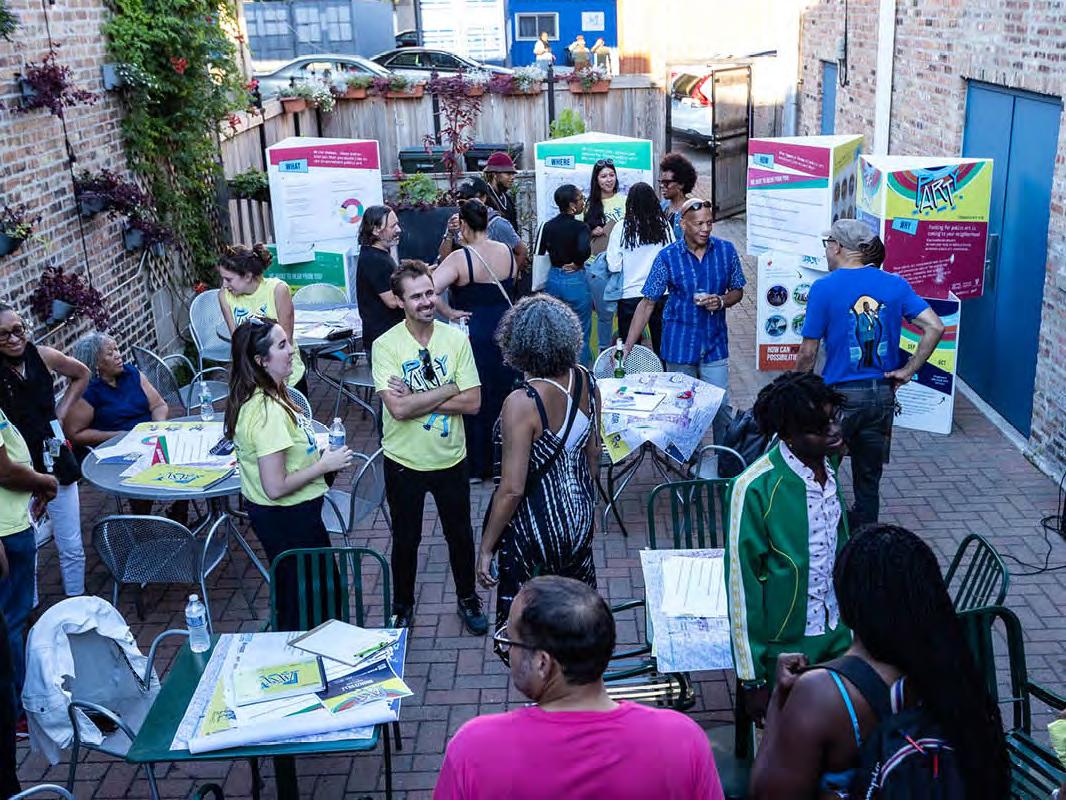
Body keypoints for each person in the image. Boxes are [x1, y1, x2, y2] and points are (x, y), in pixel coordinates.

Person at [750, 524, 1010, 799]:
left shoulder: (822, 694)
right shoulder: (952, 667)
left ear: (847, 604)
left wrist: (778, 699)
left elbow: (766, 795)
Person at [435, 576, 725, 800]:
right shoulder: (682, 739)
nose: (508, 652)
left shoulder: (475, 749)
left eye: (509, 642)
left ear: (542, 663)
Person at [795, 219, 945, 526]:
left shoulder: (824, 288)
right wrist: (908, 371)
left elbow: (808, 353)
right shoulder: (895, 284)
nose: (826, 250)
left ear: (837, 247)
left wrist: (796, 389)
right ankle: (866, 539)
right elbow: (935, 326)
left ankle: (824, 533)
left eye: (827, 244)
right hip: (881, 396)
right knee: (868, 477)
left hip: (840, 399)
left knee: (820, 469)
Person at [725, 371, 852, 723]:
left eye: (833, 419)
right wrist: (751, 678)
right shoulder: (753, 488)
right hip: (787, 653)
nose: (833, 431)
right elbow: (741, 587)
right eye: (818, 428)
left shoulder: (830, 464)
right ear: (788, 435)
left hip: (840, 639)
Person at [372, 260, 487, 634]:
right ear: (400, 301)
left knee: (460, 536)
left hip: (450, 458)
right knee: (406, 540)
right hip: (403, 460)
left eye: (430, 293)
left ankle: (468, 598)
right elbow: (398, 409)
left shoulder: (455, 340)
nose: (426, 302)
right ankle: (402, 606)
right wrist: (450, 387)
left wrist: (418, 396)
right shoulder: (385, 346)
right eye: (416, 296)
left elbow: (473, 402)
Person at [477, 296, 600, 629]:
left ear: (518, 344)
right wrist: (586, 507)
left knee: (532, 624)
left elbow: (512, 489)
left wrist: (487, 547)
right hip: (579, 516)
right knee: (574, 616)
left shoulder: (522, 402)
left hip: (538, 527)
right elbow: (593, 454)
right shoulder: (587, 380)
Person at [223, 317, 353, 631]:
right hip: (289, 520)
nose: (291, 350)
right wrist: (323, 466)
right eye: (282, 345)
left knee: (306, 598)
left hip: (290, 517)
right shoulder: (267, 412)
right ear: (261, 361)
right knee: (312, 606)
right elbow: (275, 486)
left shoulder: (268, 395)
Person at [623, 198, 745, 441]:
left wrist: (721, 301)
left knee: (721, 406)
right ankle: (688, 457)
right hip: (679, 345)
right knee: (682, 410)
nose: (706, 229)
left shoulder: (726, 251)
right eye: (699, 224)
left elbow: (737, 289)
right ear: (683, 224)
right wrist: (628, 347)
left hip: (714, 343)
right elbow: (647, 303)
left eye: (709, 223)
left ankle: (724, 456)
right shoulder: (667, 257)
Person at [0, 303, 88, 598]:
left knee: (71, 541)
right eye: (3, 334)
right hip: (17, 467)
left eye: (18, 330)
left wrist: (60, 414)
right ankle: (31, 607)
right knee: (28, 545)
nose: (14, 338)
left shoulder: (43, 355)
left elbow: (82, 374)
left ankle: (76, 599)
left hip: (55, 456)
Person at [433, 199, 520, 481]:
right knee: (504, 393)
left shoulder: (461, 258)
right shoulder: (506, 251)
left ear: (464, 225)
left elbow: (428, 291)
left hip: (476, 333)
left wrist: (448, 312)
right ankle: (506, 459)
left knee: (474, 394)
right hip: (506, 330)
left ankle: (477, 465)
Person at [0, 402, 57, 700]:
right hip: (7, 531)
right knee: (11, 622)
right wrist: (44, 481)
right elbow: (5, 472)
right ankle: (20, 706)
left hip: (13, 522)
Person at [218, 243, 307, 394]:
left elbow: (286, 340)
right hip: (253, 382)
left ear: (247, 276)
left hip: (285, 377)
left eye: (229, 279)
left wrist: (280, 385)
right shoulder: (224, 296)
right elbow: (238, 344)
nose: (224, 285)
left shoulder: (278, 290)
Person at [66, 332, 168, 448]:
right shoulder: (88, 391)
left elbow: (158, 405)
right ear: (96, 363)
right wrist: (120, 436)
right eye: (110, 354)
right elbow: (74, 434)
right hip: (117, 447)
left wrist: (158, 428)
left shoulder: (131, 373)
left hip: (150, 439)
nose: (118, 355)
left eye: (116, 349)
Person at [606, 181, 673, 355]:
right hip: (661, 294)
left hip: (630, 295)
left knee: (629, 350)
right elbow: (672, 258)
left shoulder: (621, 227)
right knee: (663, 347)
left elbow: (613, 265)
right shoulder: (664, 225)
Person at [539, 184, 593, 365]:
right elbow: (584, 250)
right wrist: (578, 263)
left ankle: (556, 371)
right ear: (571, 205)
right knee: (581, 331)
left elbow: (540, 251)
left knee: (554, 330)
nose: (583, 202)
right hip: (574, 280)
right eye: (580, 199)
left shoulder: (548, 226)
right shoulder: (581, 227)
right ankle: (579, 371)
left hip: (553, 279)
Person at [438, 178, 528, 275]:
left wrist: (510, 278)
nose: (465, 204)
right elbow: (444, 260)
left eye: (469, 198)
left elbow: (521, 251)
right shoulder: (456, 220)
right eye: (461, 201)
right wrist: (449, 233)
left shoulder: (497, 224)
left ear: (483, 198)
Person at [582, 159, 627, 352]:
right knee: (604, 314)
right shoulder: (588, 204)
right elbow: (578, 234)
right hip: (596, 268)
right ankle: (604, 353)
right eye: (603, 176)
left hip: (623, 266)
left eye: (611, 175)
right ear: (596, 180)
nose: (608, 179)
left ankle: (624, 351)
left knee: (624, 311)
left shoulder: (625, 200)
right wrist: (591, 231)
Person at [355, 205, 405, 365]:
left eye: (397, 224)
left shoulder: (376, 254)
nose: (398, 230)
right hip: (384, 341)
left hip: (385, 338)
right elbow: (392, 301)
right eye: (393, 226)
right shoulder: (375, 260)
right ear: (376, 230)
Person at [659, 151, 698, 240]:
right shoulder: (662, 206)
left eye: (666, 183)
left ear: (681, 184)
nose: (662, 186)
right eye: (661, 182)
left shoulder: (693, 211)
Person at [481, 152, 519, 233]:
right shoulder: (484, 198)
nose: (512, 177)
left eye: (513, 174)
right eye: (508, 174)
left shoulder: (507, 198)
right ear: (495, 174)